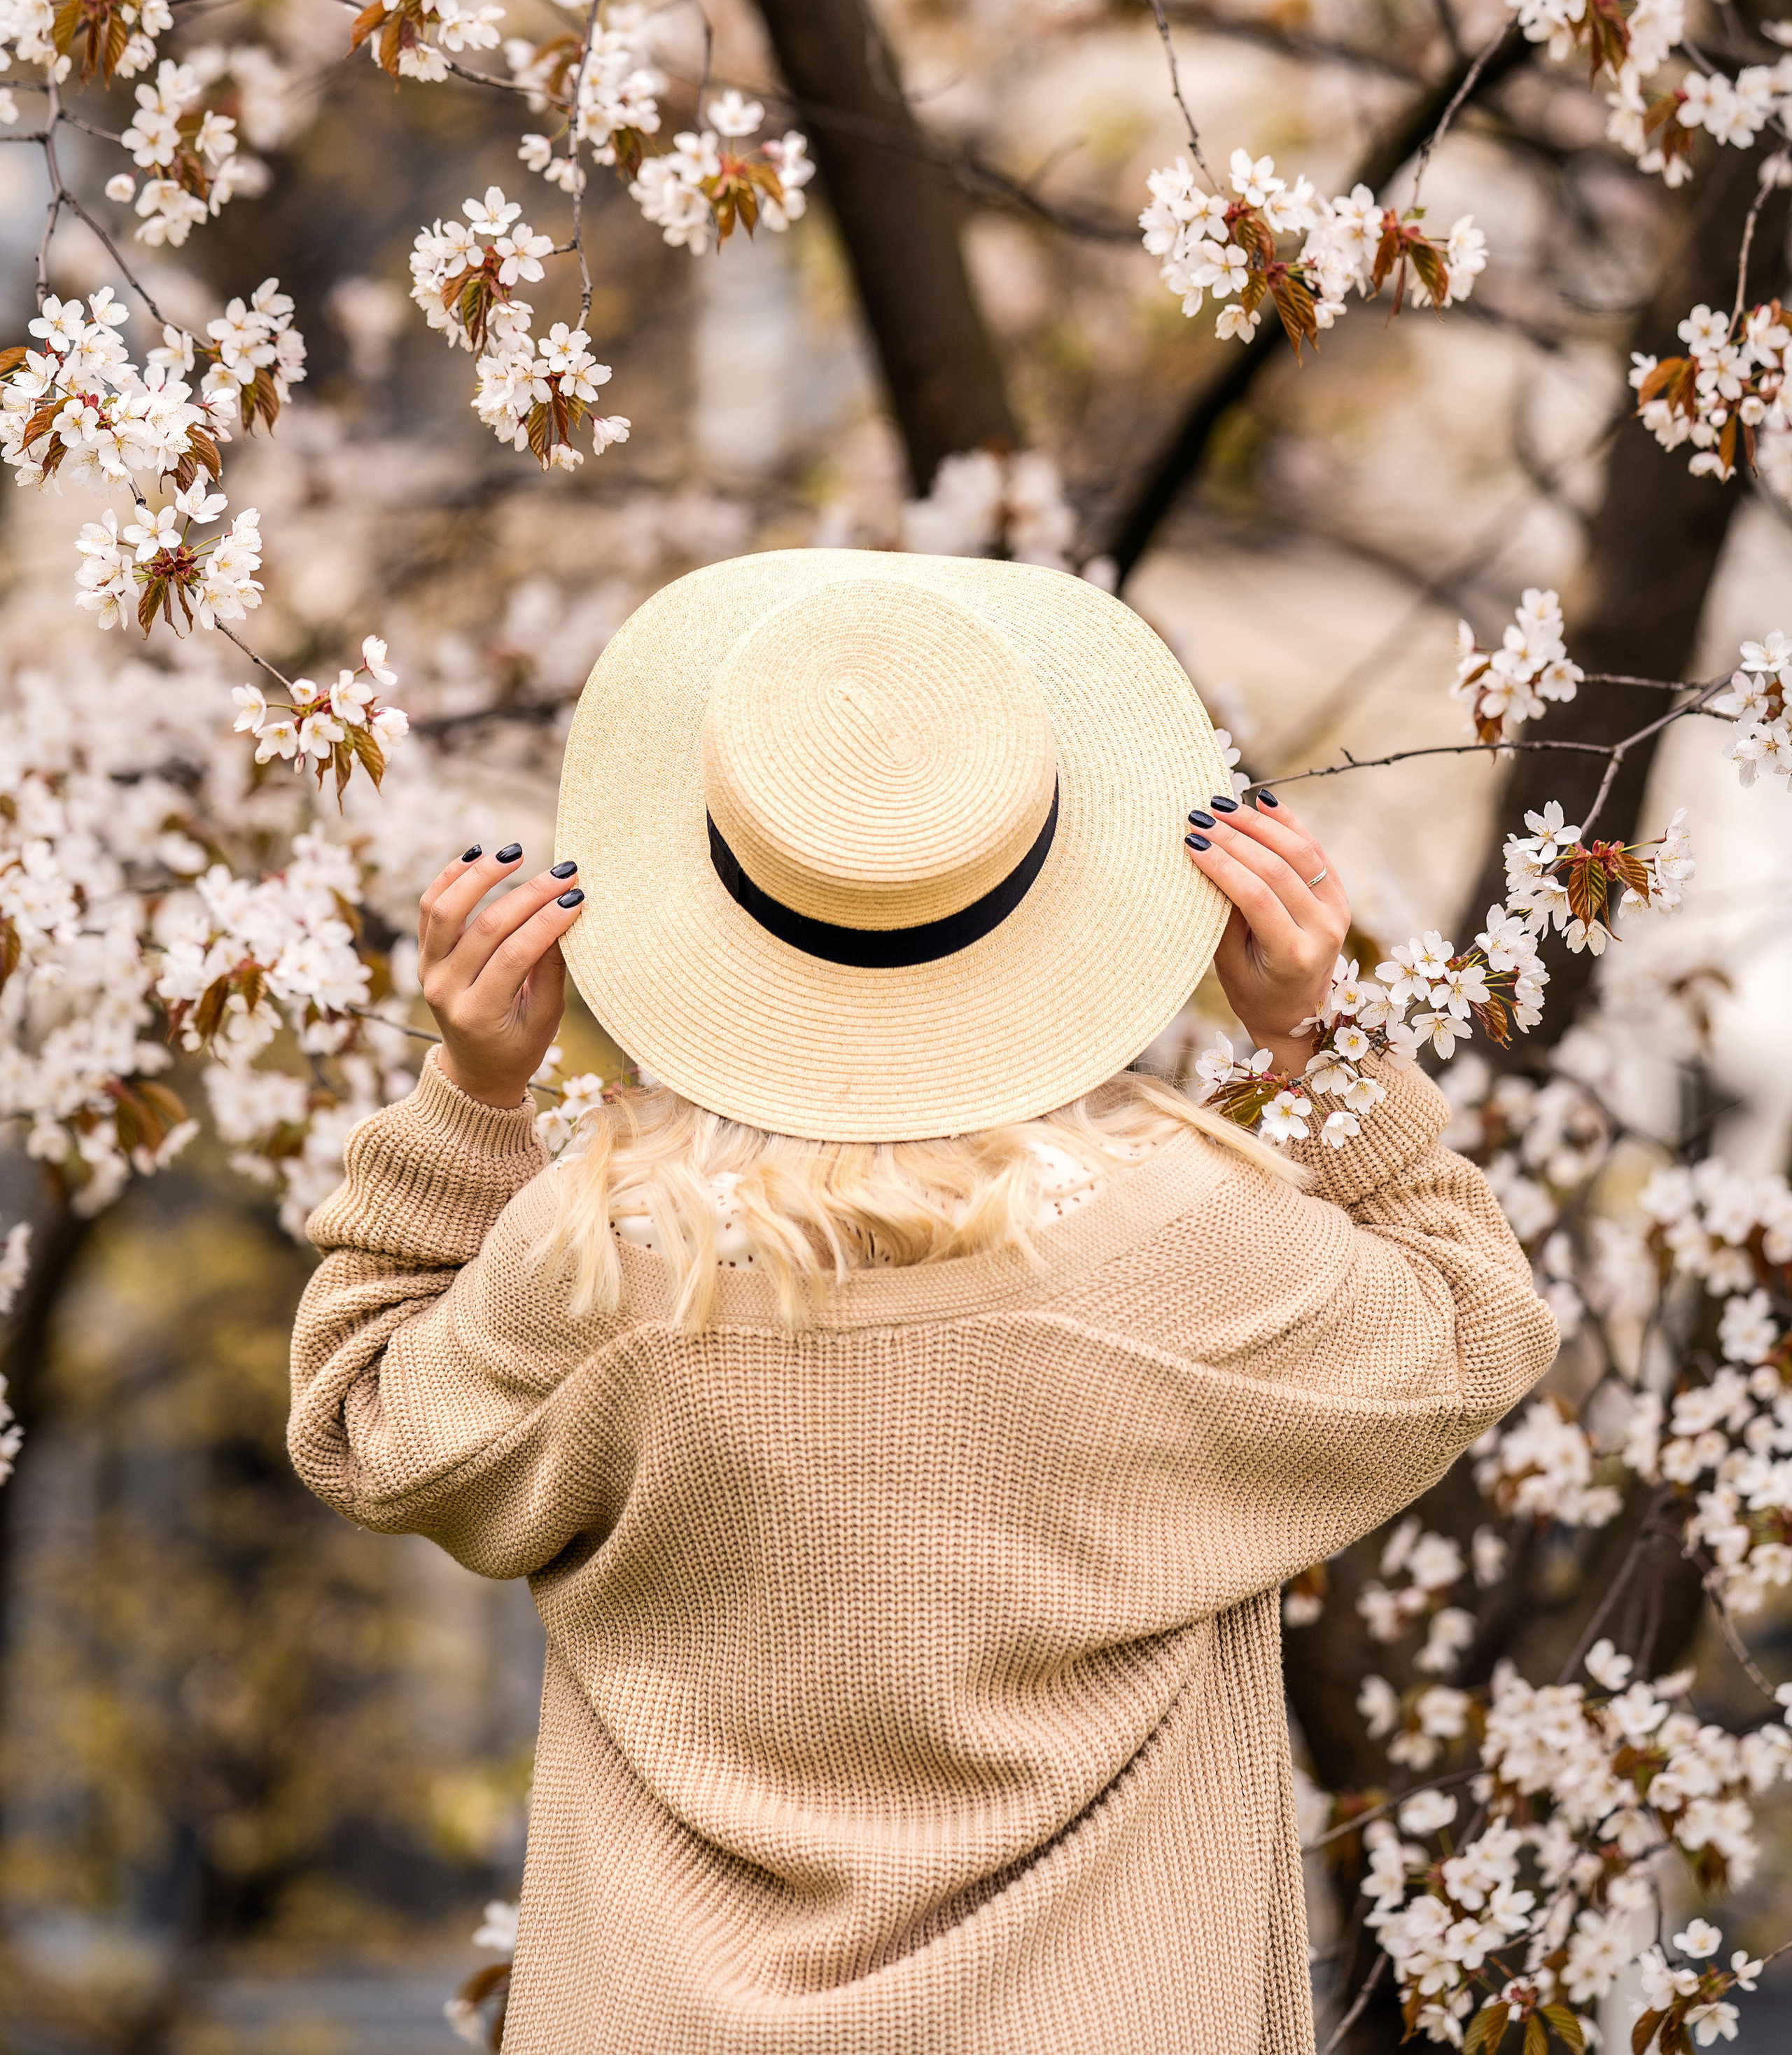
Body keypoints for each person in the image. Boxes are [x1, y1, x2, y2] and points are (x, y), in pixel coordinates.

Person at [288, 549, 1557, 2055]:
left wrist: (474, 1098)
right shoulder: (1185, 1239)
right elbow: (1475, 1325)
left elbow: (364, 1425)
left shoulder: (605, 1262)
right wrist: (1316, 1046)